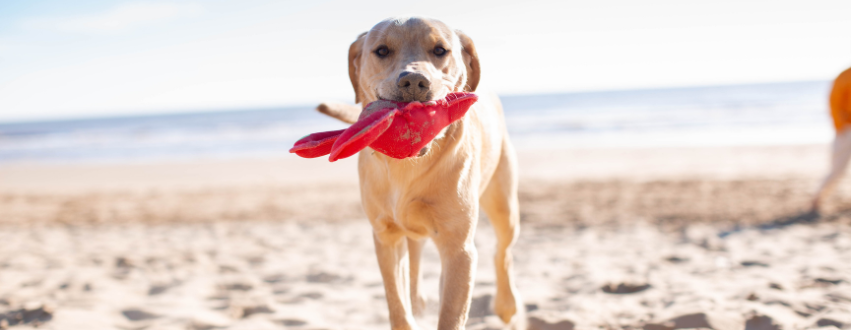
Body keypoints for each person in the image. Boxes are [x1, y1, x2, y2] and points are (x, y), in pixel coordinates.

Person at [812, 66, 851, 212]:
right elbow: (834, 101)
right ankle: (817, 199)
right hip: (847, 128)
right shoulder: (845, 75)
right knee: (837, 169)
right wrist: (840, 126)